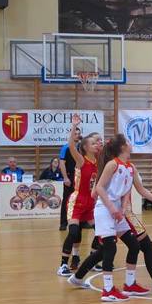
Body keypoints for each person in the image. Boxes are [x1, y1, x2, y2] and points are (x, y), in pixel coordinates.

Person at [68, 134, 152, 299]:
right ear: (123, 147)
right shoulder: (112, 164)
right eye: (128, 141)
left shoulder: (130, 167)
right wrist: (112, 207)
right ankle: (108, 290)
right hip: (106, 209)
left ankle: (128, 284)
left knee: (131, 246)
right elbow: (97, 190)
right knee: (110, 248)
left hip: (118, 211)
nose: (131, 143)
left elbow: (139, 190)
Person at [56, 115, 101, 277]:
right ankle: (63, 265)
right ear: (86, 147)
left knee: (101, 232)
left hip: (91, 203)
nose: (96, 145)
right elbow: (70, 145)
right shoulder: (81, 160)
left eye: (97, 143)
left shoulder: (98, 161)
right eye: (93, 143)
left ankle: (93, 259)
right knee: (74, 232)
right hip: (77, 201)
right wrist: (74, 126)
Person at [59, 126, 82, 230]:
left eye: (78, 134)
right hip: (70, 177)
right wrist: (65, 178)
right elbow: (62, 163)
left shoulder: (82, 148)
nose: (77, 136)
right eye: (75, 134)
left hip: (80, 178)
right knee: (67, 200)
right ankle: (63, 223)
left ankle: (82, 222)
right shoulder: (66, 147)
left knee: (80, 200)